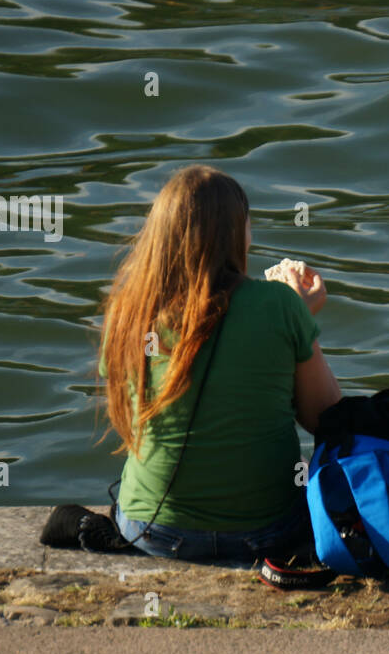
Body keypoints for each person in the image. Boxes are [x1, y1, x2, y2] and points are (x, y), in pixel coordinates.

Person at [86, 164, 341, 561]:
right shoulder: (279, 305)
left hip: (151, 530)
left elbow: (135, 416)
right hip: (266, 534)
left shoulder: (128, 309)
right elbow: (326, 418)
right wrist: (298, 316)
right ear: (236, 234)